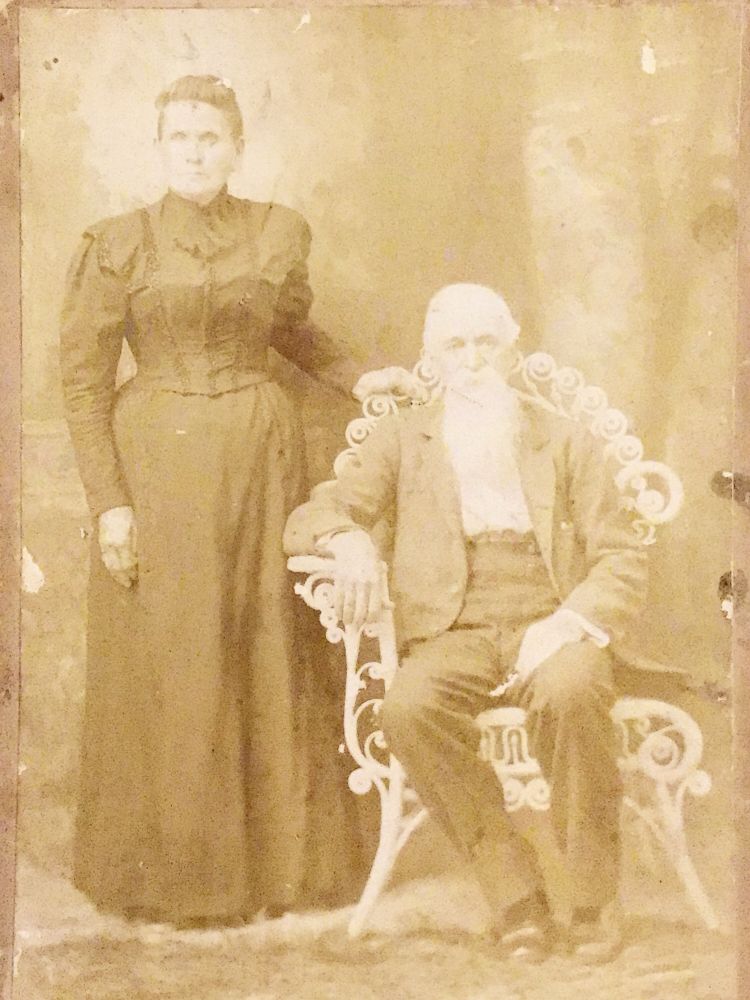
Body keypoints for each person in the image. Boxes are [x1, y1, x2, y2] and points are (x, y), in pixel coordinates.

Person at [61, 75, 365, 927]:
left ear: (237, 147)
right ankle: (177, 881)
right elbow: (83, 388)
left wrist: (358, 375)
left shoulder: (274, 231)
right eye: (179, 138)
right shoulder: (117, 243)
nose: (196, 151)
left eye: (211, 137)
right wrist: (109, 504)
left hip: (262, 462)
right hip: (157, 464)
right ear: (159, 149)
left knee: (263, 644)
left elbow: (292, 332)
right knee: (177, 660)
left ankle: (280, 873)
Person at [284, 282, 650, 962]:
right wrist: (351, 541)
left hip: (548, 612)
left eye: (488, 342)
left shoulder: (565, 437)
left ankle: (593, 898)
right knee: (409, 708)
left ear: (512, 349)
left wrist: (569, 620)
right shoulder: (403, 438)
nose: (474, 359)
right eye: (457, 345)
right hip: (453, 625)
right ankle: (517, 897)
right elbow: (312, 516)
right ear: (433, 358)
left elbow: (622, 556)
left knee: (570, 690)